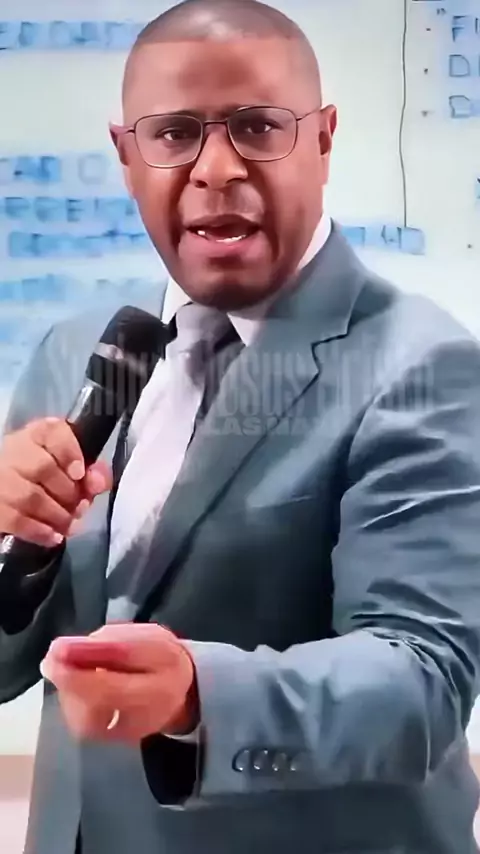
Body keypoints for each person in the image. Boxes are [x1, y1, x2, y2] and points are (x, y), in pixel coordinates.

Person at [0, 0, 480, 852]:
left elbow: (422, 677)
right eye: (174, 133)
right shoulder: (76, 350)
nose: (216, 168)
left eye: (258, 127)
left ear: (323, 140)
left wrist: (196, 694)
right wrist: (13, 544)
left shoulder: (423, 365)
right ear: (126, 155)